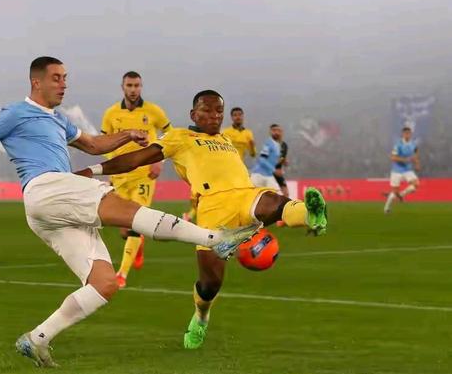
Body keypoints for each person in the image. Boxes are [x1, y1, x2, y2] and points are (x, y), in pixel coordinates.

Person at [0, 57, 260, 368]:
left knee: (104, 284)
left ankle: (37, 338)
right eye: (56, 78)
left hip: (48, 211)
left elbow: (95, 145)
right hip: (46, 186)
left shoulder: (59, 119)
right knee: (128, 210)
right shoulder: (13, 113)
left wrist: (128, 134)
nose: (63, 84)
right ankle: (215, 238)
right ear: (36, 82)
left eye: (65, 78)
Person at [75, 90, 328, 351]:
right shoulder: (180, 137)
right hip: (213, 208)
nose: (215, 116)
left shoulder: (225, 139)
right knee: (210, 285)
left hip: (246, 195)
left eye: (219, 111)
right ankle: (201, 316)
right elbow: (135, 159)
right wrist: (93, 170)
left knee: (276, 203)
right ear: (193, 114)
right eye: (207, 110)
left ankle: (311, 215)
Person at [100, 71, 172, 288]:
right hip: (120, 175)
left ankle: (122, 273)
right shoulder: (111, 114)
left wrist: (160, 160)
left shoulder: (153, 111)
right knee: (124, 226)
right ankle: (137, 244)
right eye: (129, 85)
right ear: (122, 87)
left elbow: (170, 134)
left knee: (136, 221)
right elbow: (104, 142)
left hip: (144, 174)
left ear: (141, 87)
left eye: (137, 85)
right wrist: (110, 168)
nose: (133, 89)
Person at [384, 126, 420, 214]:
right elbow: (393, 157)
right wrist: (404, 160)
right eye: (406, 133)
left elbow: (415, 153)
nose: (407, 135)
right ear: (403, 134)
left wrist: (417, 164)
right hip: (397, 170)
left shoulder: (413, 144)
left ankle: (401, 195)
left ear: (410, 134)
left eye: (409, 133)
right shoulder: (398, 144)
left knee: (416, 184)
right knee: (394, 192)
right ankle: (387, 208)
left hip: (407, 169)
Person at [250, 124, 283, 191]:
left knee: (277, 194)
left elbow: (272, 160)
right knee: (253, 195)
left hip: (268, 175)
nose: (276, 132)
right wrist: (274, 170)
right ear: (270, 132)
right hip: (259, 175)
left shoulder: (278, 145)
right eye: (274, 130)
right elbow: (262, 159)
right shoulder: (268, 143)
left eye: (278, 131)